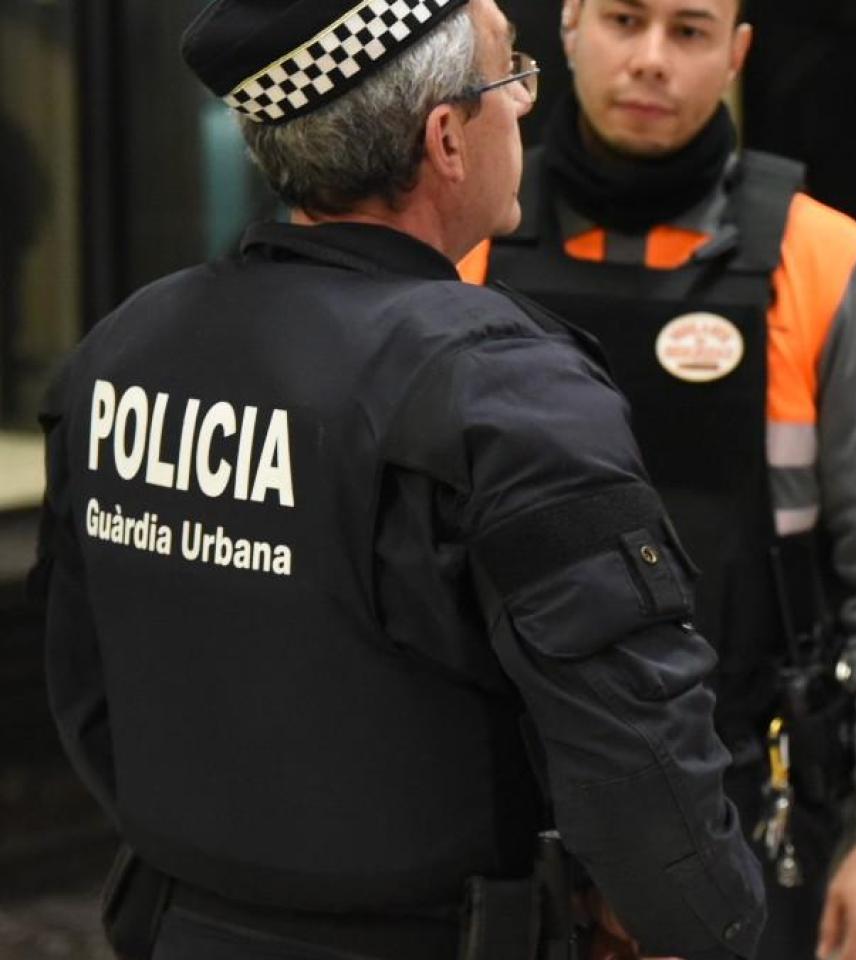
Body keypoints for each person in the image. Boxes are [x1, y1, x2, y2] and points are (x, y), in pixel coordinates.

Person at [33, 0, 764, 957]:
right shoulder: (502, 387)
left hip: (181, 924)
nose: (526, 109)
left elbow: (88, 690)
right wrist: (715, 920)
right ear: (447, 138)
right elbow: (638, 761)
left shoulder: (121, 353)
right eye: (512, 78)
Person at [458, 1, 856, 958]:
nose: (652, 60)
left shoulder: (826, 261)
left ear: (736, 54)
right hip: (501, 795)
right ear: (566, 28)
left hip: (747, 796)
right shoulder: (464, 253)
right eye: (624, 20)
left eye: (689, 32)